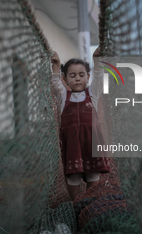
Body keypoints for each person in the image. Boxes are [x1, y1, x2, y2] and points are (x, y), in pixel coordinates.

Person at [51, 48, 110, 200]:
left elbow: (99, 77)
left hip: (91, 143)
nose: (77, 78)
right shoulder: (64, 96)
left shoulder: (93, 95)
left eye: (81, 75)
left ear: (88, 77)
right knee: (73, 176)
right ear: (65, 78)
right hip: (72, 145)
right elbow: (55, 83)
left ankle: (89, 204)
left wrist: (96, 59)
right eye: (72, 75)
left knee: (93, 175)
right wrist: (56, 66)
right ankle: (77, 205)